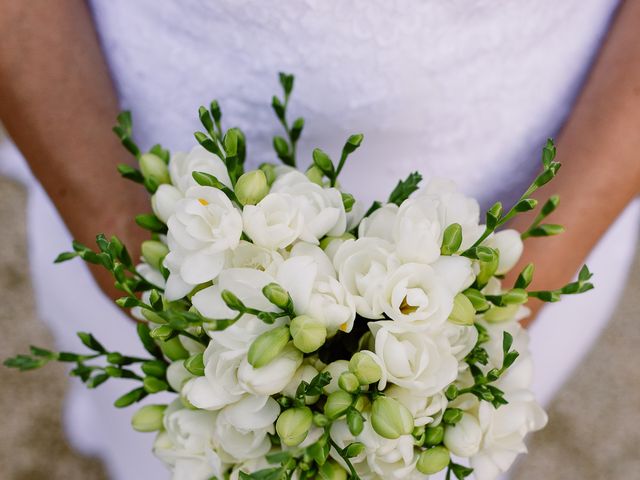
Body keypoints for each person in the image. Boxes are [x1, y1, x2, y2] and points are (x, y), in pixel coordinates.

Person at [1, 1, 639, 479]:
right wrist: (114, 225)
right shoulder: (150, 252)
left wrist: (533, 273)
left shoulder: (499, 307)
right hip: (156, 197)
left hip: (538, 188)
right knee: (158, 445)